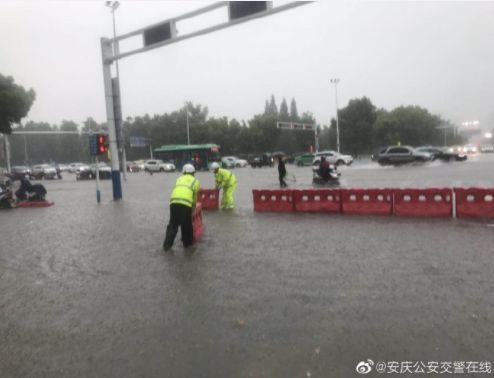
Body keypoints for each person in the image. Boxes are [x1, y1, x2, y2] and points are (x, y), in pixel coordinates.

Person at [163, 164, 201, 251]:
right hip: (186, 204)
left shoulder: (179, 179)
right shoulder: (195, 181)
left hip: (174, 202)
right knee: (186, 225)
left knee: (173, 224)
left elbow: (177, 190)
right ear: (193, 173)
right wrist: (193, 206)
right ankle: (187, 246)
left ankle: (166, 247)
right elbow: (195, 196)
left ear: (183, 172)